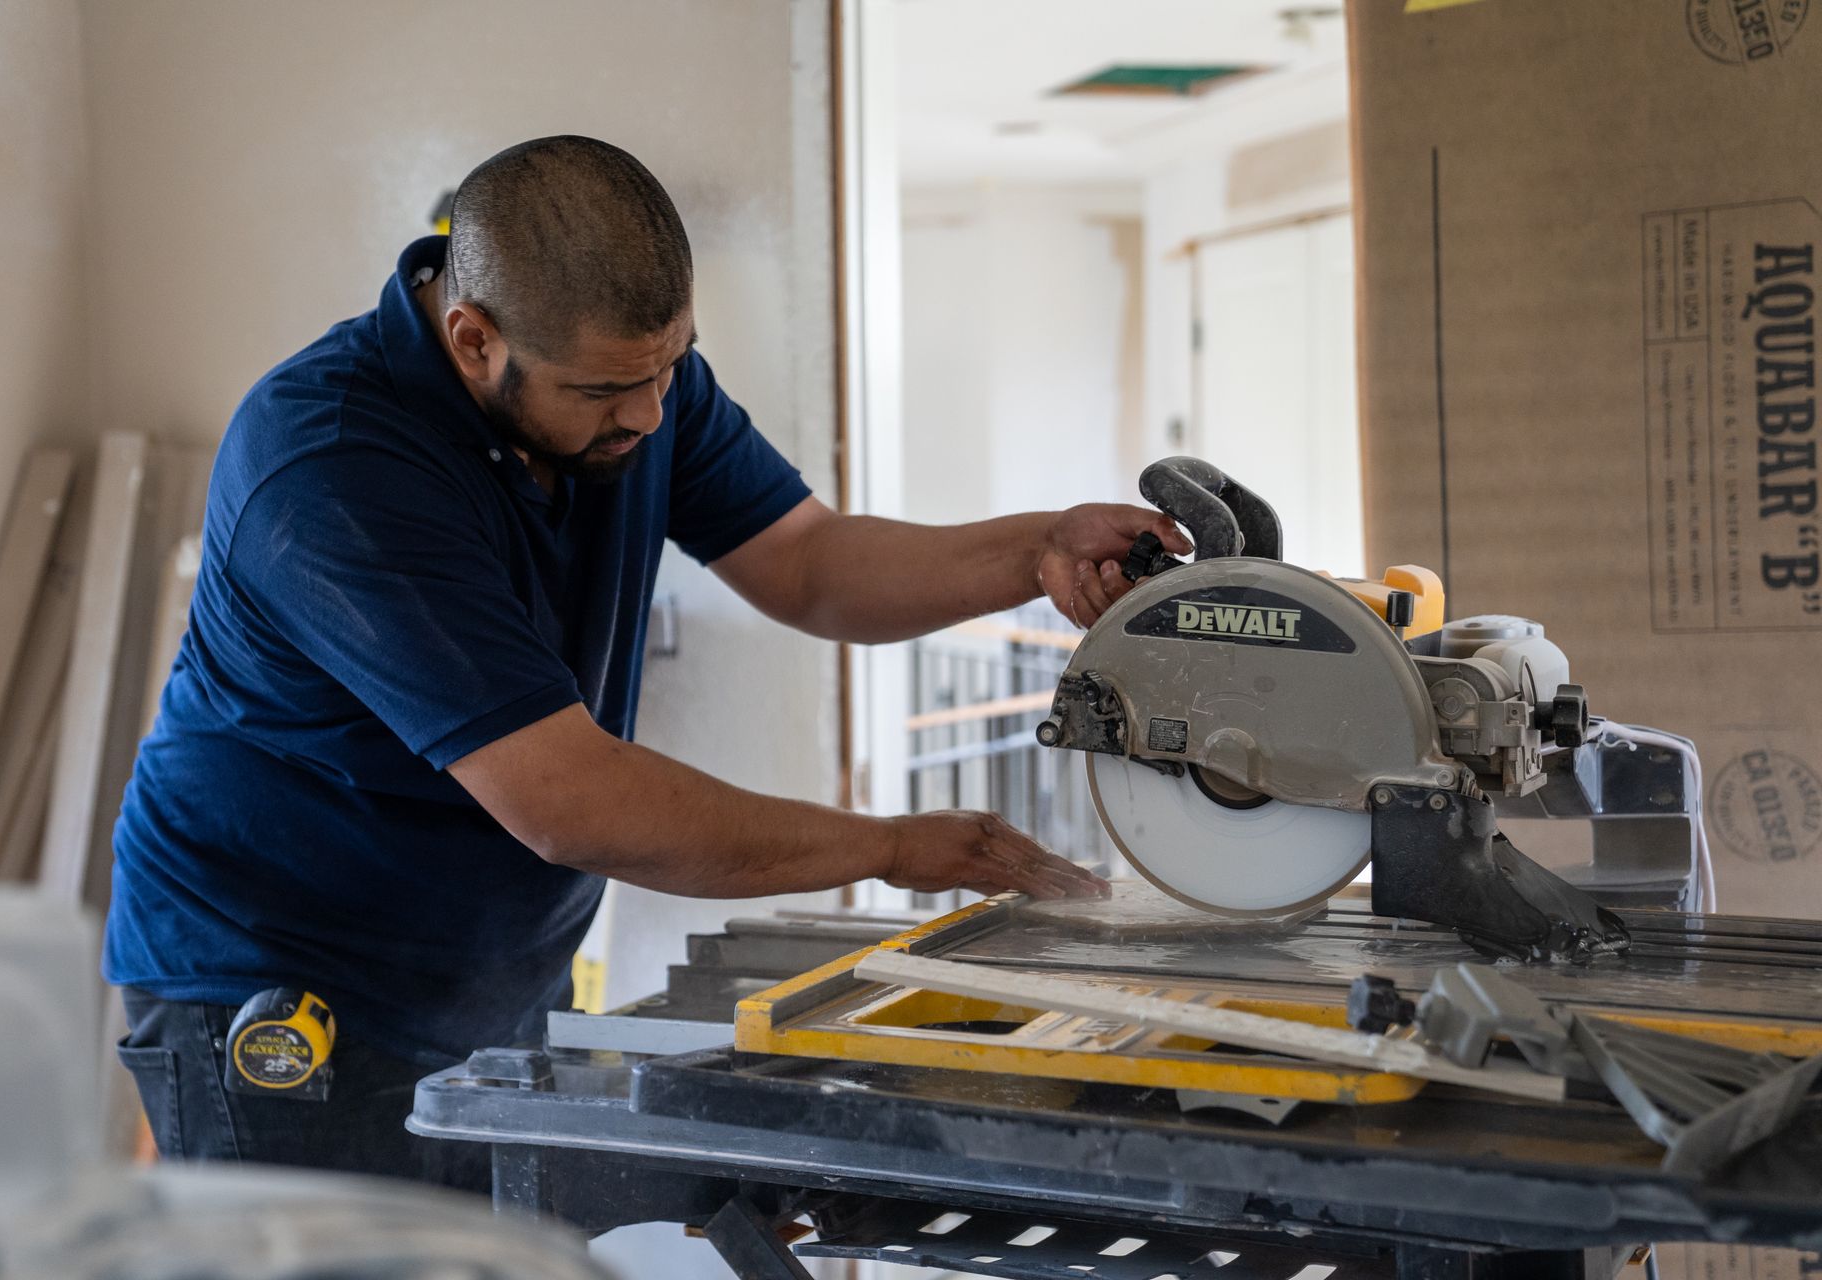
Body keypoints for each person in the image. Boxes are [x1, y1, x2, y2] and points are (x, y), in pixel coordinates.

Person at [105, 136, 1189, 1190]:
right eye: (607, 392)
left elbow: (810, 563)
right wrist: (894, 844)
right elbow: (571, 799)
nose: (652, 413)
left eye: (671, 366)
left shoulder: (629, 382)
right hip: (282, 984)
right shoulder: (334, 464)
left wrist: (1035, 549)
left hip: (474, 974)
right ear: (474, 337)